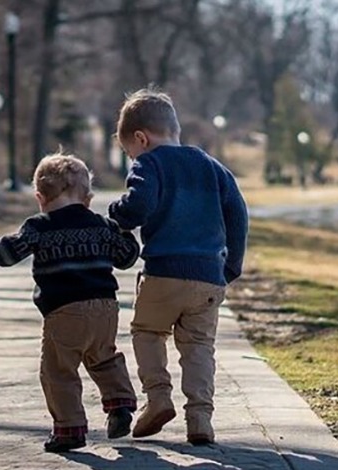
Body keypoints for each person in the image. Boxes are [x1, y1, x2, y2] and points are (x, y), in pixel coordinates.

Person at [0, 152, 139, 453]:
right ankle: (120, 405)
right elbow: (127, 257)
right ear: (88, 198)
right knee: (104, 357)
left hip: (65, 311)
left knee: (58, 371)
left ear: (40, 197)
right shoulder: (101, 225)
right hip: (105, 309)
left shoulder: (39, 227)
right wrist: (126, 232)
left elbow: (8, 252)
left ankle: (69, 429)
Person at [108, 88, 248, 445]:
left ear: (141, 138)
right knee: (199, 346)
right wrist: (231, 265)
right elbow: (238, 214)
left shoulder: (149, 163)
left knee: (147, 332)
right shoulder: (212, 166)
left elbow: (138, 207)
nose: (132, 158)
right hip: (208, 277)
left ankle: (157, 398)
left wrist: (117, 214)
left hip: (164, 272)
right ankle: (200, 419)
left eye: (129, 152)